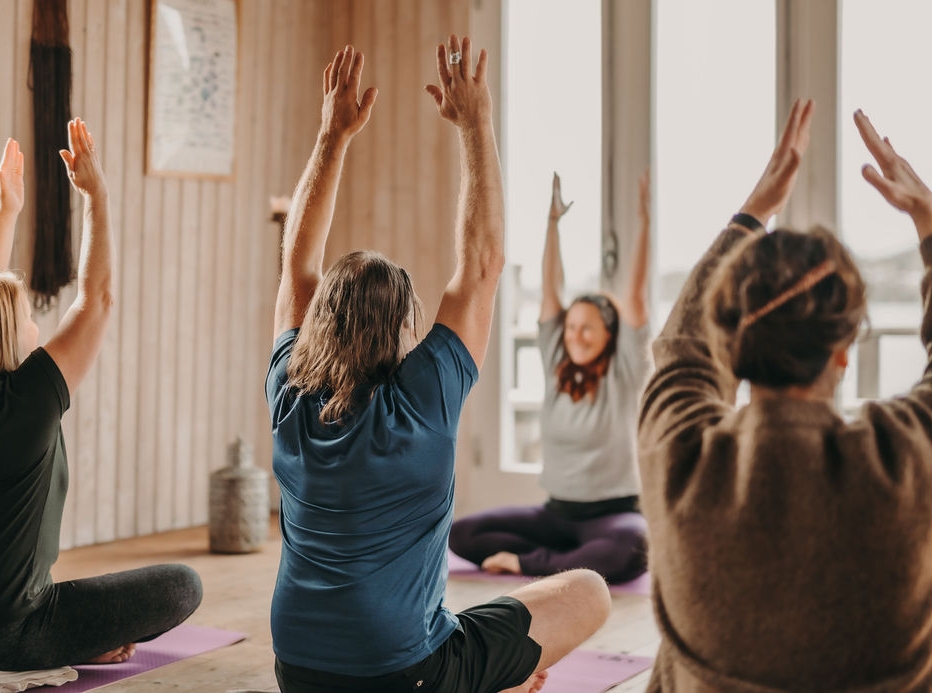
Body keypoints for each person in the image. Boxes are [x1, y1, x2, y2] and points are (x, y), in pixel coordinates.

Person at [266, 38, 611, 693]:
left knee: (454, 617)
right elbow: (481, 266)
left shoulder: (290, 395)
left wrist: (331, 134)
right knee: (588, 590)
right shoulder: (420, 401)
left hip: (298, 671)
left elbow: (297, 267)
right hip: (405, 673)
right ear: (401, 328)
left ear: (322, 322)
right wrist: (476, 125)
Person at [639, 98, 932, 691]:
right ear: (844, 350)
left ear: (732, 340)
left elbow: (680, 349)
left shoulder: (680, 456)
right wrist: (929, 224)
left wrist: (754, 212)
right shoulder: (904, 458)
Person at [0, 121, 201, 671]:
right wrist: (98, 196)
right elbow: (97, 299)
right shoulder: (27, 400)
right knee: (182, 585)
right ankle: (67, 646)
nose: (34, 318)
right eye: (23, 313)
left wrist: (8, 210)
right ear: (4, 335)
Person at [449, 170, 652, 583]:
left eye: (587, 328)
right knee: (462, 534)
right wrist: (552, 225)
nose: (575, 335)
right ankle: (570, 558)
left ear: (610, 335)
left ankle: (530, 563)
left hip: (613, 516)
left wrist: (645, 223)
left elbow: (634, 296)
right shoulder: (557, 363)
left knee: (634, 549)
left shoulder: (625, 370)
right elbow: (550, 291)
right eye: (571, 326)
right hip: (556, 514)